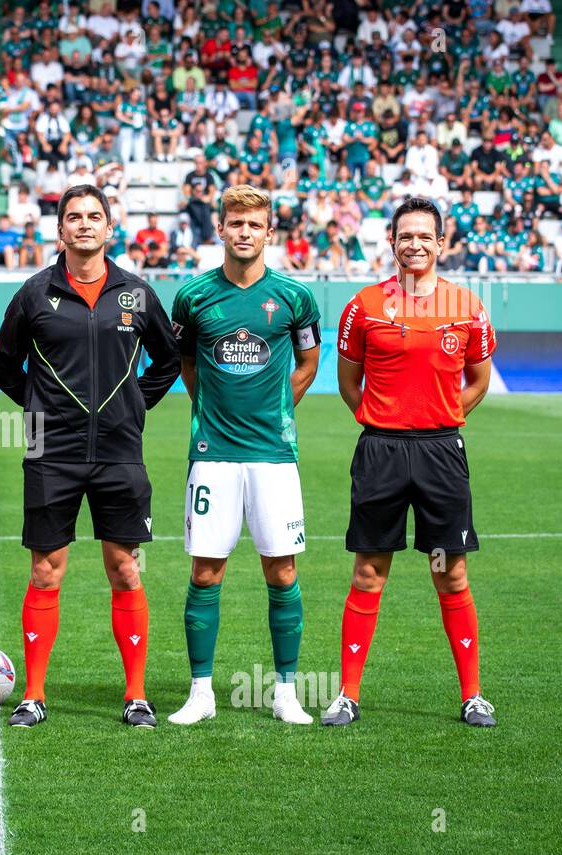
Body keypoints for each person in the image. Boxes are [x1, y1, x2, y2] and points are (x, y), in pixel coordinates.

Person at [0, 184, 180, 729]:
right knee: (46, 572)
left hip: (120, 454)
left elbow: (167, 362)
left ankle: (137, 695)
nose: (84, 225)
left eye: (94, 216)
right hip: (52, 453)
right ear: (59, 229)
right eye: (73, 217)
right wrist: (41, 410)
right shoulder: (33, 293)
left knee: (125, 569)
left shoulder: (137, 294)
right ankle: (32, 695)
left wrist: (130, 408)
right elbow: (5, 366)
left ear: (109, 228)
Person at [326, 197, 498, 729]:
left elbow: (479, 380)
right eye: (406, 236)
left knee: (451, 573)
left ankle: (472, 695)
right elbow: (349, 383)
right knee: (369, 572)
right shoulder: (364, 305)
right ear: (393, 242)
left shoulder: (467, 305)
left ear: (441, 243)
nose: (415, 245)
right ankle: (347, 695)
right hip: (380, 451)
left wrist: (440, 418)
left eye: (425, 236)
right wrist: (383, 420)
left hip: (442, 452)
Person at [167, 184, 323, 726]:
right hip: (213, 453)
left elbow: (308, 359)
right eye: (235, 224)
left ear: (268, 232)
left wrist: (281, 408)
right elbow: (185, 361)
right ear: (221, 229)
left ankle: (285, 692)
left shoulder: (295, 297)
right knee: (206, 572)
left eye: (254, 225)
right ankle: (201, 693)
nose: (244, 233)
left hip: (274, 455)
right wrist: (207, 408)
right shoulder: (192, 297)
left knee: (281, 571)